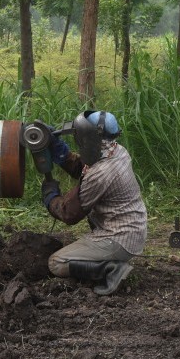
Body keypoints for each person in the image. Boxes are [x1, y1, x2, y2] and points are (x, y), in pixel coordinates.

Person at [41, 111, 147, 295]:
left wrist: (51, 196)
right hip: (132, 230)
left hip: (118, 238)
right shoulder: (116, 151)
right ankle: (111, 260)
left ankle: (111, 269)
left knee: (56, 263)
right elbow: (82, 167)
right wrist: (56, 146)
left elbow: (69, 213)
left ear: (90, 138)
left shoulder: (100, 174)